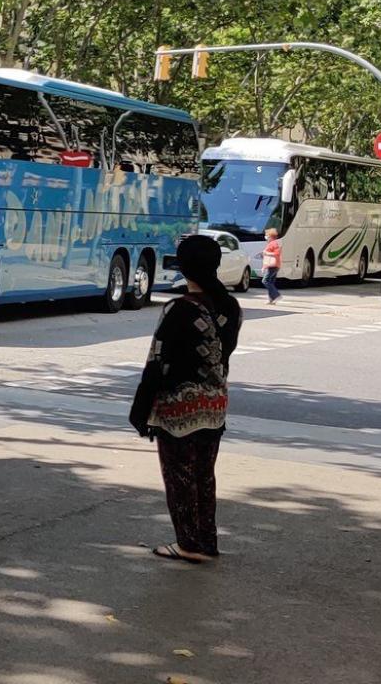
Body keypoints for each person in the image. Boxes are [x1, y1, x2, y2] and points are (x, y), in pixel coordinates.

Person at [130, 234, 242, 563]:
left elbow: (158, 361)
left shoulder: (178, 309)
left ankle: (189, 544)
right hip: (215, 404)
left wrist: (141, 411)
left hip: (178, 408)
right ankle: (207, 541)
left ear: (184, 268)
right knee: (204, 475)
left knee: (180, 477)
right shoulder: (231, 307)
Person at [261, 227, 282, 304]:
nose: (266, 237)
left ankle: (276, 295)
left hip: (273, 265)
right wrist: (264, 267)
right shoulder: (272, 243)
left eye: (267, 236)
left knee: (265, 281)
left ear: (271, 236)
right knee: (271, 282)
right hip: (274, 265)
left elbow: (277, 254)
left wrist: (266, 253)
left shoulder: (273, 244)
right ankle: (271, 299)